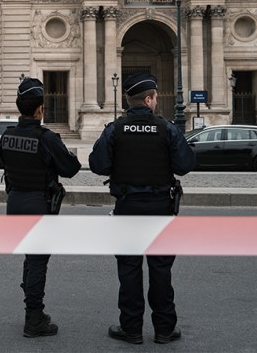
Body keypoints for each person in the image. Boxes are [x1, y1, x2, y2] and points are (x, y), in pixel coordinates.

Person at [89, 72, 195, 345]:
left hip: (127, 207)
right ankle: (164, 329)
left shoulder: (115, 129)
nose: (157, 102)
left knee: (129, 270)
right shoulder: (167, 128)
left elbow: (98, 165)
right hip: (160, 208)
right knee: (161, 271)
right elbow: (184, 165)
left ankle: (132, 328)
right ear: (148, 99)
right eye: (156, 98)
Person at [0, 77, 82, 338]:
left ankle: (31, 306)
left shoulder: (7, 136)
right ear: (40, 109)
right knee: (37, 261)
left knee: (30, 257)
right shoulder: (46, 138)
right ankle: (34, 317)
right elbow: (71, 169)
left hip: (15, 202)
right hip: (39, 204)